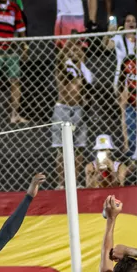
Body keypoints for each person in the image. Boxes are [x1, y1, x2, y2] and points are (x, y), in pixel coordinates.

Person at [51, 37, 94, 186]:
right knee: (61, 150)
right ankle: (62, 183)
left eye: (78, 49)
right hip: (63, 108)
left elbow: (88, 91)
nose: (75, 52)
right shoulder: (64, 67)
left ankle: (74, 183)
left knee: (79, 148)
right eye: (72, 50)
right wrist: (69, 42)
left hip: (79, 110)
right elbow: (59, 60)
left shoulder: (85, 71)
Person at [104, 14, 137, 91]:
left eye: (133, 21)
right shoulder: (119, 38)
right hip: (122, 77)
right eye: (128, 21)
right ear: (123, 24)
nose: (131, 23)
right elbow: (106, 47)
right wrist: (109, 33)